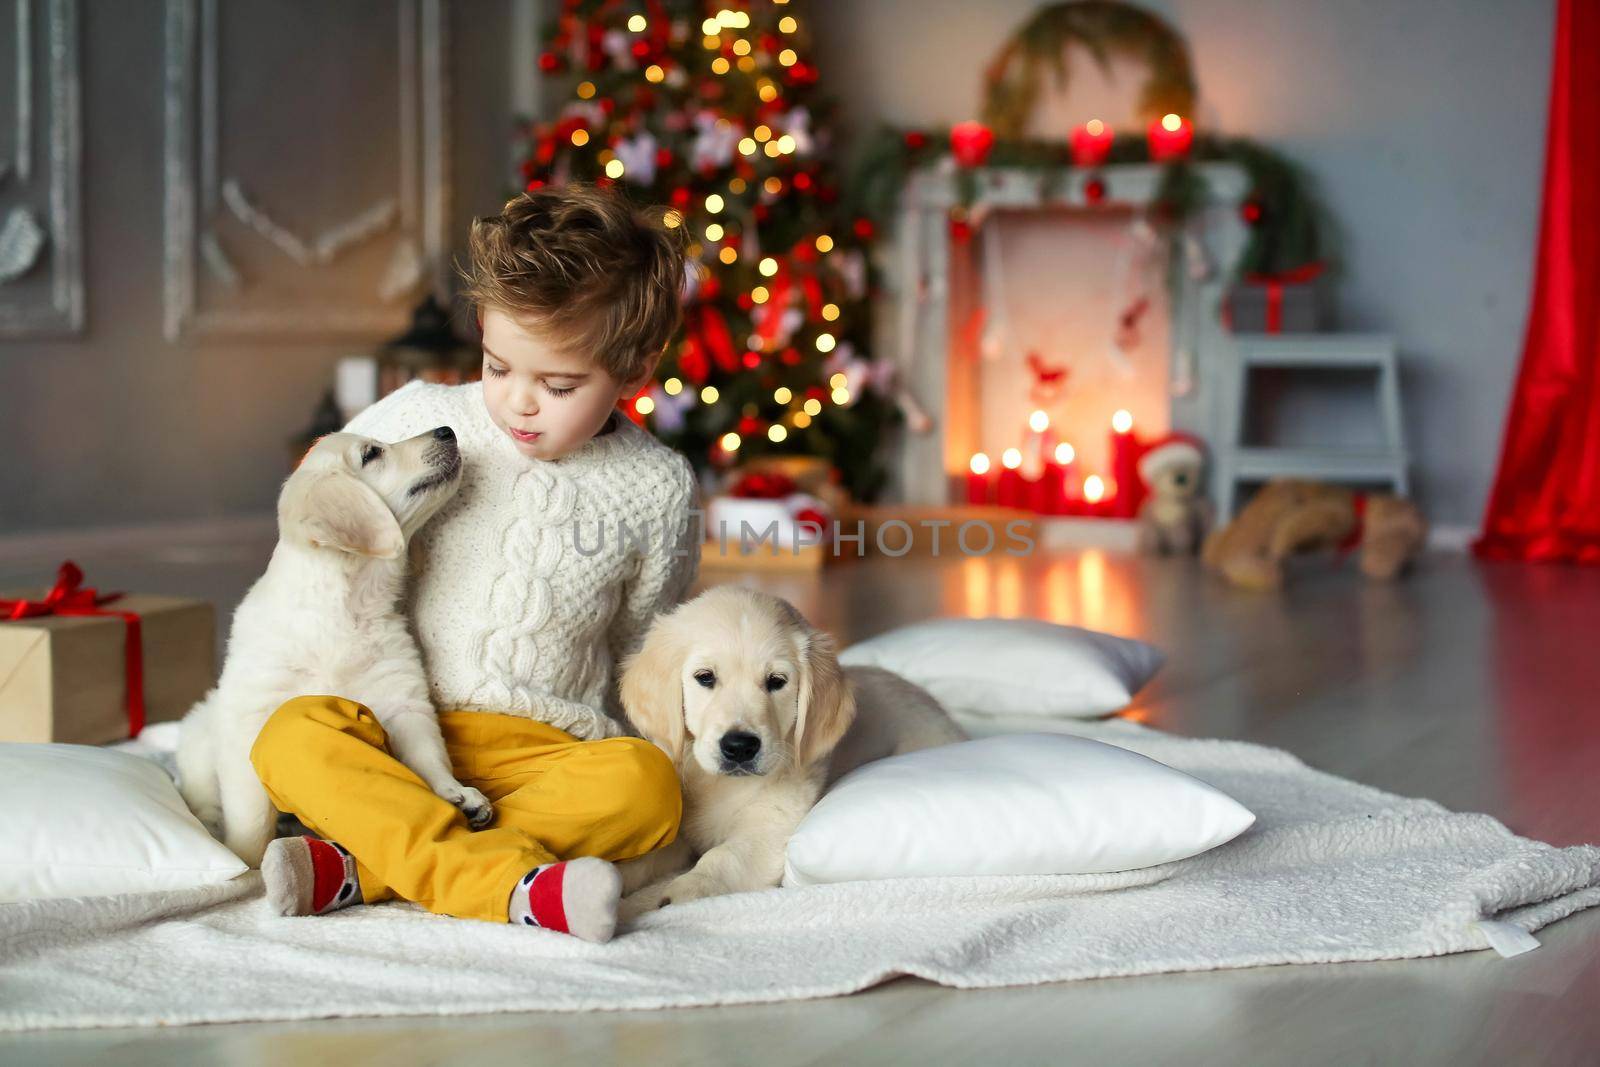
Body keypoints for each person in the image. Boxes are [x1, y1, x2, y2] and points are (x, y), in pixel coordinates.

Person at [249, 185, 697, 943]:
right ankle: (509, 883)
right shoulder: (413, 420)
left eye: (558, 385)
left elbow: (638, 648)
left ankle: (368, 864)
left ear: (635, 368)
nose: (520, 402)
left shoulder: (657, 488)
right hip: (393, 730)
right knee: (288, 734)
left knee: (648, 786)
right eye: (497, 367)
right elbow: (316, 544)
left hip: (544, 752)